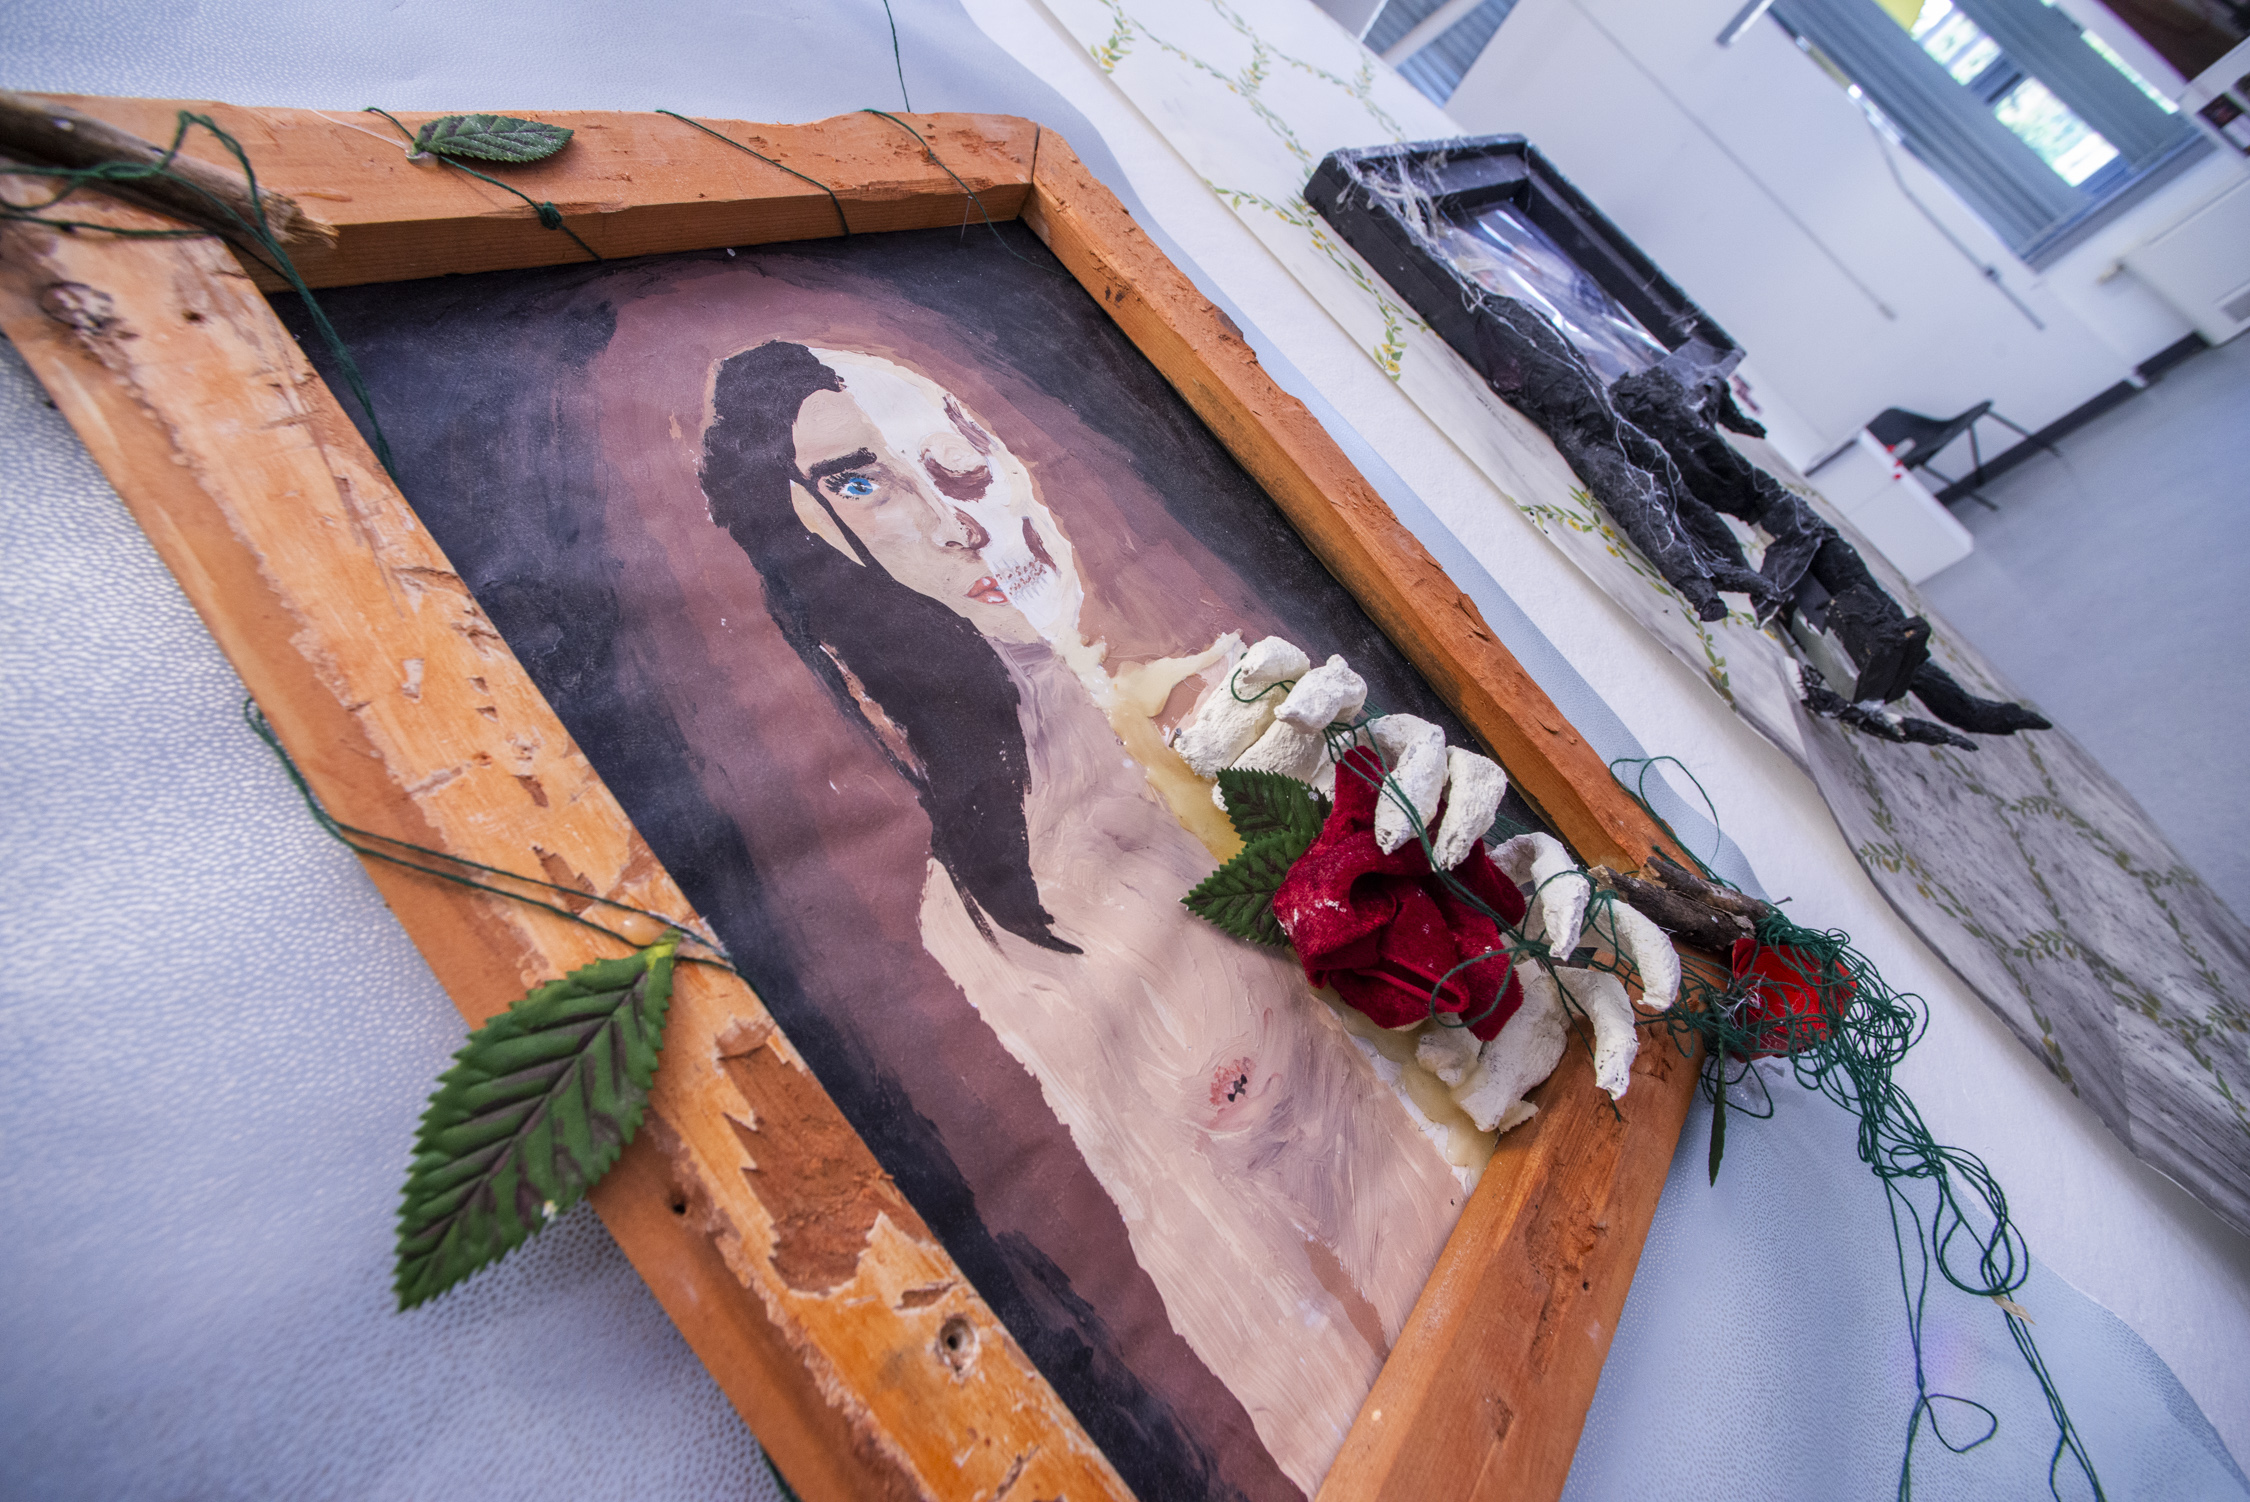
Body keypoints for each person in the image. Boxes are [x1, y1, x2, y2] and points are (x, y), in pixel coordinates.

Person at [699, 340, 1473, 1491]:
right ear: (812, 547)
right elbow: (1255, 1327)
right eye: (862, 482)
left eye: (946, 441)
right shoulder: (974, 927)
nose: (953, 513)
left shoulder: (1200, 700)